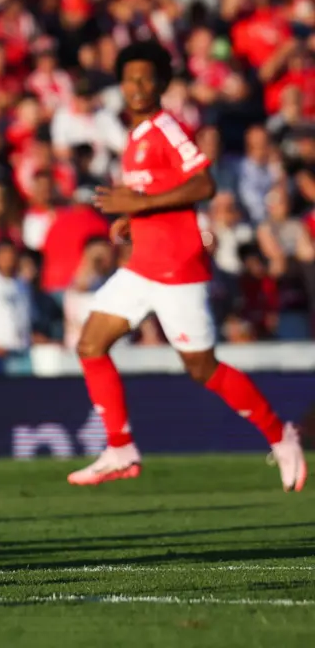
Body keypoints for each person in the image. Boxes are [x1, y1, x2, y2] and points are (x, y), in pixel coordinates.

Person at [70, 40, 307, 490]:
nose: (137, 86)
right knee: (91, 344)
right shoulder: (136, 136)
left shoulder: (166, 126)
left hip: (178, 269)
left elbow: (204, 183)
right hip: (142, 264)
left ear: (161, 83)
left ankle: (281, 436)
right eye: (129, 78)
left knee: (201, 368)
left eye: (146, 78)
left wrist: (141, 201)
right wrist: (132, 219)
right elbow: (162, 196)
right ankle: (120, 448)